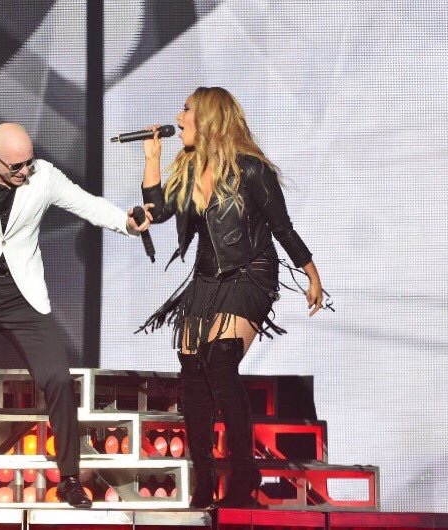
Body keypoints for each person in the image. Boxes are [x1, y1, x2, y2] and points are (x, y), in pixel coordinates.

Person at [0, 123, 152, 508]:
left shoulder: (44, 176)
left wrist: (126, 222)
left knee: (58, 379)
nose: (24, 171)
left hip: (21, 295)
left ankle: (69, 479)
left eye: (28, 163)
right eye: (15, 166)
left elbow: (87, 203)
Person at [138, 87, 328, 508]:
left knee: (220, 361)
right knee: (192, 367)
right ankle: (204, 479)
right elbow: (158, 211)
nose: (178, 117)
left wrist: (311, 272)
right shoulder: (189, 168)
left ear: (208, 118)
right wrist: (151, 159)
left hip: (250, 272)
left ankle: (245, 473)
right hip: (208, 278)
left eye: (186, 109)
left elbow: (282, 226)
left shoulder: (252, 170)